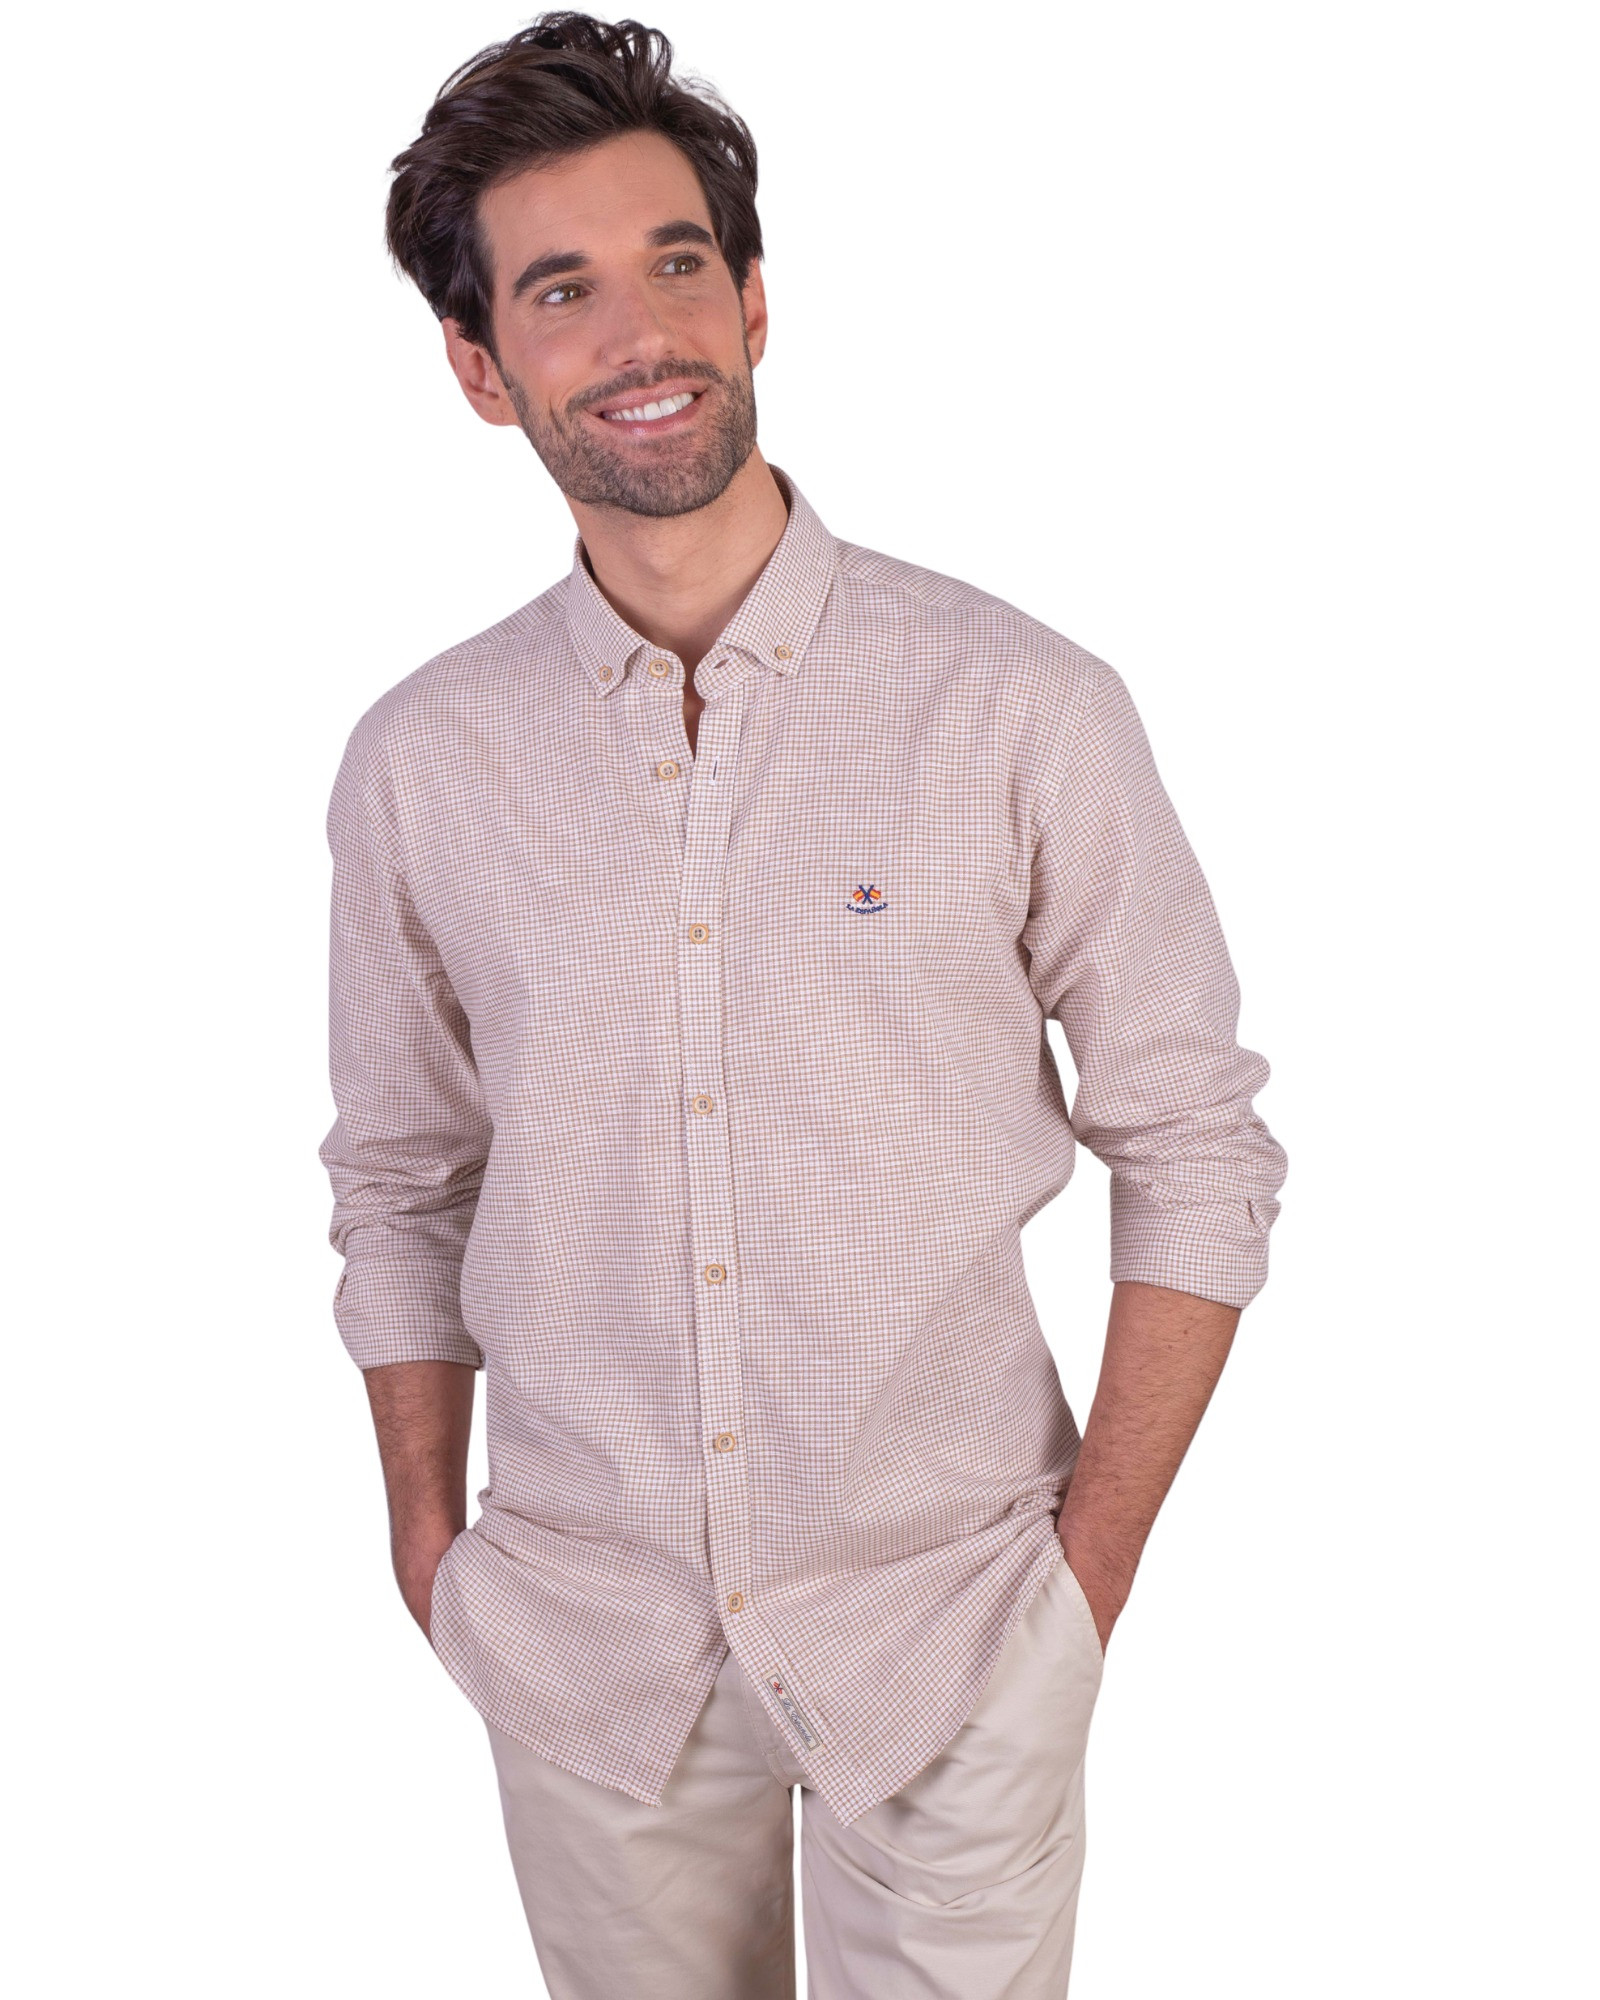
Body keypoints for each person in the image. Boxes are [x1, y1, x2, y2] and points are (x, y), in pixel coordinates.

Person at [317, 13, 1289, 1996]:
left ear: (754, 298)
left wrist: (1083, 1584)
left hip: (955, 1628)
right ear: (481, 369)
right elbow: (403, 1175)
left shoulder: (1016, 705)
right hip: (582, 1648)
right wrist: (429, 1545)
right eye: (562, 289)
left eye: (678, 260)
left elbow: (1197, 1146)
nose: (642, 331)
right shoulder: (422, 762)